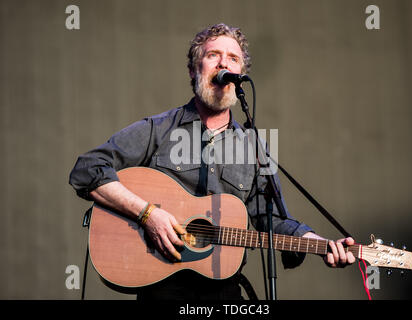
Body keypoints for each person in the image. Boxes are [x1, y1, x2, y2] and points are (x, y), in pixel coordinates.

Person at [69, 23, 355, 300]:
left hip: (225, 293)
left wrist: (323, 245)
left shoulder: (255, 147)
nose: (223, 64)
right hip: (162, 291)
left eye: (233, 58)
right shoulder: (159, 129)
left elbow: (273, 219)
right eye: (212, 55)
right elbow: (87, 170)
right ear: (195, 70)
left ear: (240, 75)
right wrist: (147, 214)